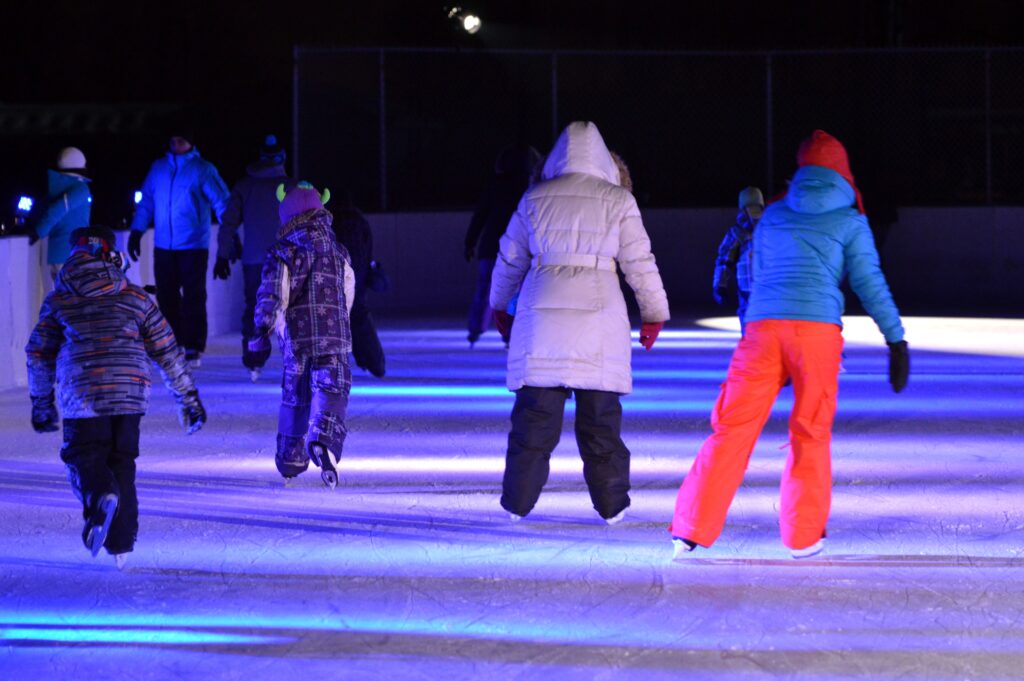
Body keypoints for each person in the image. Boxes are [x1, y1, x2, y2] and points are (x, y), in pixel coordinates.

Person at [669, 130, 910, 560]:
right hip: (817, 335)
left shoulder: (775, 214)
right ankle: (802, 536)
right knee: (811, 432)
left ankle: (690, 528)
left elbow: (758, 277)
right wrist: (894, 338)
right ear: (842, 173)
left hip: (762, 331)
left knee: (732, 429)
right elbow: (868, 281)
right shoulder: (850, 221)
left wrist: (763, 342)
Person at [489, 121, 671, 524]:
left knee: (534, 419)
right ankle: (612, 507)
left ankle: (517, 504)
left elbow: (510, 258)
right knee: (600, 421)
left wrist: (499, 304)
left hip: (541, 317)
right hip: (599, 318)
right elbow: (640, 262)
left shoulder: (534, 198)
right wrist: (654, 312)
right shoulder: (618, 200)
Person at [25, 226, 206, 569]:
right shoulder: (134, 296)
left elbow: (38, 353)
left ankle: (99, 496)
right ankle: (121, 544)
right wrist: (188, 397)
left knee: (84, 455)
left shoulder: (60, 298)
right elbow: (166, 348)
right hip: (130, 392)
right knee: (122, 462)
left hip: (83, 394)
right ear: (113, 255)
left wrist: (42, 403)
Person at [248, 182, 354, 488]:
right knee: (332, 390)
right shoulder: (338, 250)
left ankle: (291, 458)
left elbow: (272, 294)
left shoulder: (283, 251)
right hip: (334, 335)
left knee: (296, 395)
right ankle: (324, 440)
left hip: (297, 338)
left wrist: (261, 332)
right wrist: (340, 320)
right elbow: (348, 291)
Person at [128, 129, 230, 368]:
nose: (176, 144)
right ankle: (171, 343)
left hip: (194, 244)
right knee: (166, 296)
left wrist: (229, 233)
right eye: (173, 140)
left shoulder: (203, 169)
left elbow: (222, 202)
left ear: (191, 142)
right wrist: (136, 230)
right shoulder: (159, 168)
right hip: (164, 245)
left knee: (194, 295)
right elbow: (147, 202)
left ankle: (194, 344)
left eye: (181, 140)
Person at [213, 134, 296, 379]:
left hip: (255, 260)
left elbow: (229, 222)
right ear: (282, 158)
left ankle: (254, 361)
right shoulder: (291, 186)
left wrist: (223, 254)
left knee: (255, 309)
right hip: (287, 261)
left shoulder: (245, 186)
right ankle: (294, 360)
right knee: (290, 308)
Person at [464, 143, 542, 346]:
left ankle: (475, 328)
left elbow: (480, 215)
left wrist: (469, 243)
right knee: (514, 291)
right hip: (518, 249)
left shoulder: (495, 184)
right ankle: (509, 333)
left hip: (491, 247)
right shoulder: (532, 187)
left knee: (485, 288)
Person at [331, 192, 386, 378]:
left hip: (336, 273)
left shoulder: (330, 221)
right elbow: (368, 248)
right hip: (358, 272)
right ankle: (374, 362)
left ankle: (336, 369)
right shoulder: (360, 220)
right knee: (359, 315)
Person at [31, 147, 92, 283]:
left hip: (54, 254)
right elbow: (57, 209)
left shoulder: (55, 189)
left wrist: (36, 232)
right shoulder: (80, 188)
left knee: (60, 300)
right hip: (70, 255)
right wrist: (38, 232)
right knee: (74, 301)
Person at [712, 186, 765, 333]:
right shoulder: (771, 227)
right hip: (770, 288)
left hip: (747, 288)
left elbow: (724, 260)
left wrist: (720, 285)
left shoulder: (737, 231)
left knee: (749, 328)